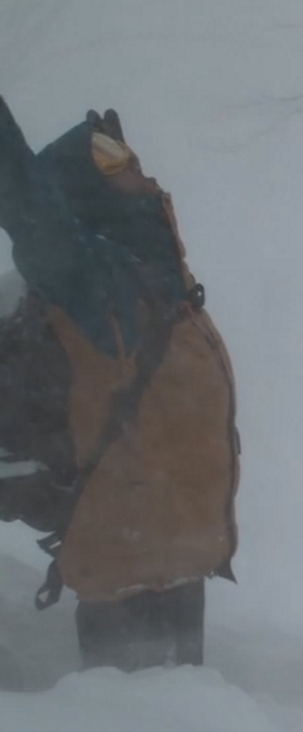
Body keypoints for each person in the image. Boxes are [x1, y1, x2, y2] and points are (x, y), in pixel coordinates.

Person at [0, 96, 239, 671]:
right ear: (85, 193)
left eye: (127, 154)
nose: (138, 168)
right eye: (109, 161)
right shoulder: (94, 287)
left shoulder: (169, 292)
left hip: (179, 564)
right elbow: (25, 197)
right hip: (126, 576)